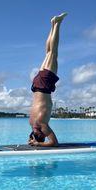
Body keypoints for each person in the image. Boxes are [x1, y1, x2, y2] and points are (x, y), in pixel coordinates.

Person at [29, 13, 67, 147]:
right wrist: (33, 140)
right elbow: (34, 136)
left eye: (43, 137)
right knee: (48, 53)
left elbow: (54, 143)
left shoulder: (41, 125)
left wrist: (39, 144)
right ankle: (52, 24)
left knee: (53, 52)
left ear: (41, 135)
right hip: (37, 84)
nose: (46, 135)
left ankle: (57, 24)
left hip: (44, 85)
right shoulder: (32, 122)